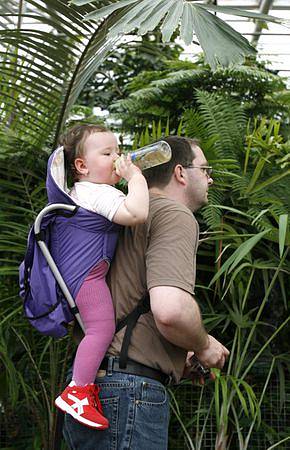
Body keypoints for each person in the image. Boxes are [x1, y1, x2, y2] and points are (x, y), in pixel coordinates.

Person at [62, 135, 229, 449]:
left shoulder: (118, 214)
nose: (210, 178)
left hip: (88, 389)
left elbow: (125, 297)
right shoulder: (175, 215)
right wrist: (204, 345)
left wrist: (181, 352)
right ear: (180, 173)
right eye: (204, 169)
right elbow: (170, 310)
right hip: (129, 393)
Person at [54, 124, 149, 429]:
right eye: (107, 153)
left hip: (80, 274)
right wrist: (136, 178)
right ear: (81, 166)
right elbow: (135, 214)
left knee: (97, 330)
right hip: (86, 276)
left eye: (117, 151)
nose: (117, 158)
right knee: (101, 330)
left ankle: (81, 389)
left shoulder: (83, 192)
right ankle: (77, 391)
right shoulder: (95, 192)